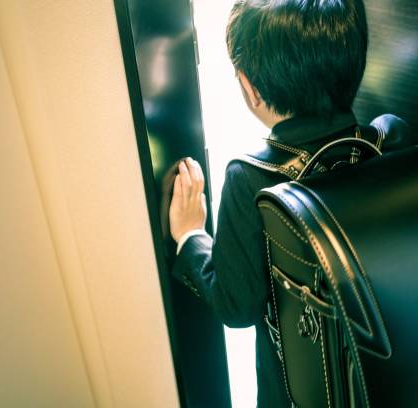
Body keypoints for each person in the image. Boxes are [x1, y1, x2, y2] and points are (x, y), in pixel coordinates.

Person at [169, 0, 368, 406]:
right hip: (377, 373)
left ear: (249, 87)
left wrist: (191, 235)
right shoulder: (380, 142)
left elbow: (237, 305)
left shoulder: (250, 179)